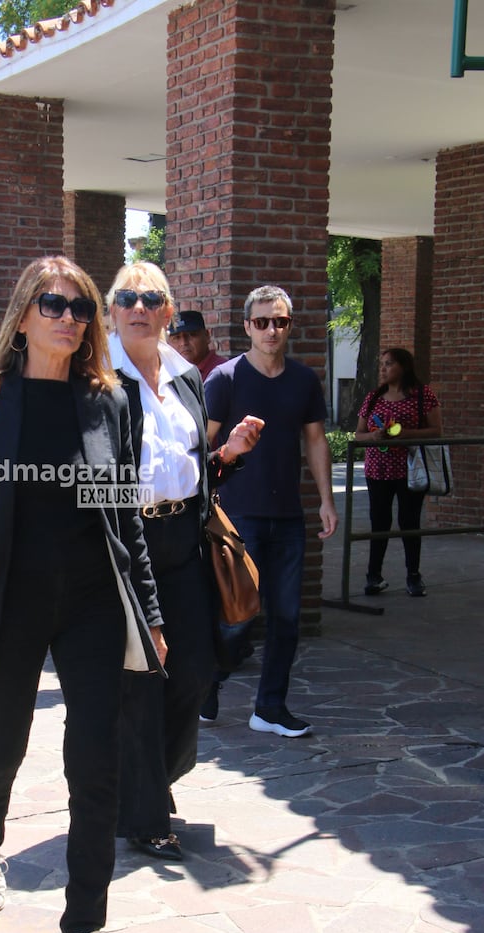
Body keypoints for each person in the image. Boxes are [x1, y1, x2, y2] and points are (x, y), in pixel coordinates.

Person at [0, 256, 167, 933]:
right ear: (24, 313)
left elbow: (123, 517)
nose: (70, 319)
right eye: (55, 305)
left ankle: (83, 930)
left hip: (92, 601)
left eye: (81, 308)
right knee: (1, 743)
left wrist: (150, 613)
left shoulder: (110, 401)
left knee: (95, 763)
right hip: (7, 601)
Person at [106, 263, 262, 860]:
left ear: (169, 312)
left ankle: (145, 782)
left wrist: (228, 454)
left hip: (186, 545)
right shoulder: (100, 382)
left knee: (197, 670)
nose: (139, 307)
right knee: (140, 683)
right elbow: (97, 480)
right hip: (127, 546)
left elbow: (187, 471)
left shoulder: (187, 379)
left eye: (151, 298)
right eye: (126, 298)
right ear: (113, 312)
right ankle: (145, 814)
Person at [205, 285, 338, 737]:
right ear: (247, 326)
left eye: (279, 321)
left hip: (288, 517)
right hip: (237, 516)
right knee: (237, 617)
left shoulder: (303, 379)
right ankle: (208, 679)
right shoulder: (225, 379)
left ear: (289, 326)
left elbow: (316, 440)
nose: (271, 330)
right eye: (262, 321)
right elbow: (202, 447)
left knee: (286, 616)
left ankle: (270, 708)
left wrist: (326, 499)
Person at [354, 347, 441, 598]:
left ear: (403, 366)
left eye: (389, 363)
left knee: (409, 522)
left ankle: (413, 576)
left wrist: (406, 434)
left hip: (410, 470)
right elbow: (358, 434)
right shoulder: (373, 397)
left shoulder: (423, 395)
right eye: (382, 363)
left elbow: (436, 430)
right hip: (377, 471)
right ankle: (373, 576)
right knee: (379, 523)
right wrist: (373, 435)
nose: (383, 368)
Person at [168, 309, 228, 380]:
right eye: (177, 338)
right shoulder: (168, 374)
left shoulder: (223, 371)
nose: (183, 343)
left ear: (207, 336)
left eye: (192, 335)